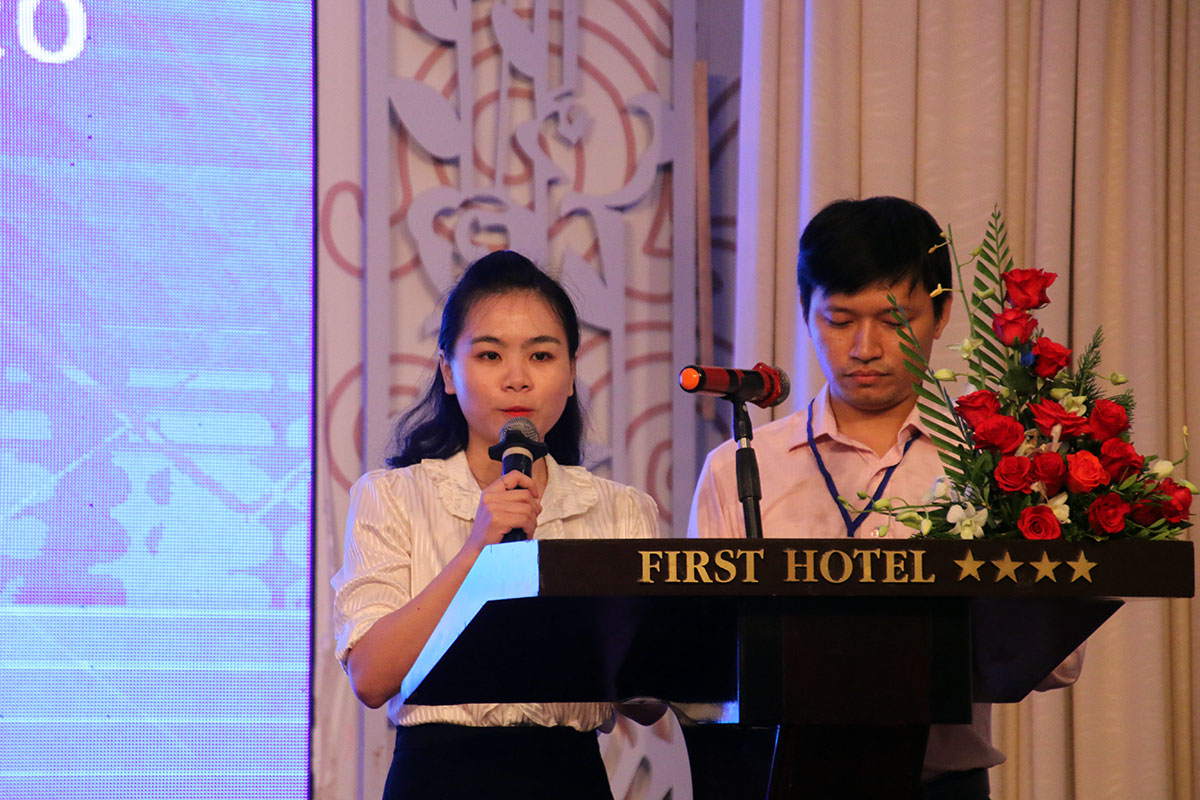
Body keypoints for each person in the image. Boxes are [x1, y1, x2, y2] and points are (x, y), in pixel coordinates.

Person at [686, 197, 1081, 799]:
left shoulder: (995, 462)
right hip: (781, 782)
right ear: (806, 311)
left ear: (942, 313)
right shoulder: (740, 466)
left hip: (941, 787)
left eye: (896, 320)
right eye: (840, 320)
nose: (865, 347)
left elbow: (1057, 662)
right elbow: (699, 666)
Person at [332, 250, 661, 799]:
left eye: (541, 355)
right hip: (437, 779)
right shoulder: (392, 496)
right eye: (489, 355)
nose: (517, 379)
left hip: (569, 778)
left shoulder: (622, 510)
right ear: (448, 371)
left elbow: (647, 704)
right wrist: (475, 551)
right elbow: (370, 677)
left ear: (571, 372)